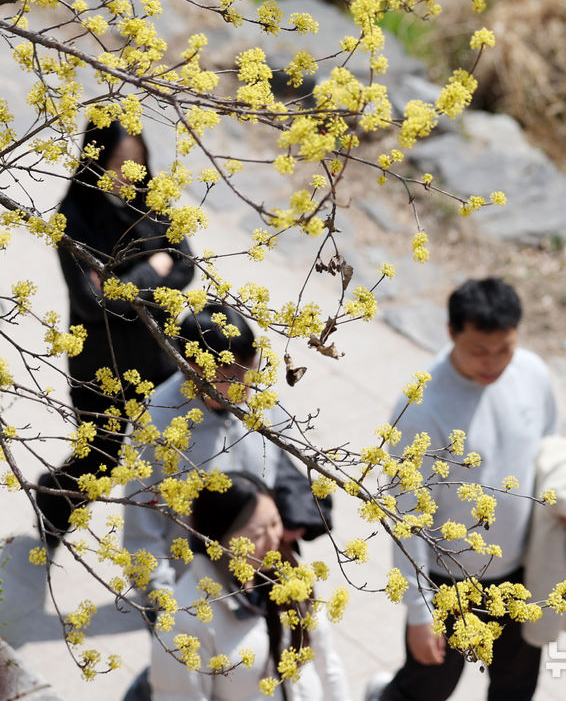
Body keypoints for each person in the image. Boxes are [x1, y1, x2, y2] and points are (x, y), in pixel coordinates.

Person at [368, 277, 558, 701]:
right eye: (479, 350)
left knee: (515, 687)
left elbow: (551, 450)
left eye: (504, 348)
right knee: (426, 689)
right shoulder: (420, 407)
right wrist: (420, 613)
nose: (493, 362)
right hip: (447, 581)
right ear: (452, 332)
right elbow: (406, 520)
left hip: (521, 575)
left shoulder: (532, 373)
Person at [35, 120, 194, 547]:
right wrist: (153, 269)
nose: (132, 173)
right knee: (100, 462)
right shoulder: (72, 219)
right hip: (99, 363)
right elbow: (93, 302)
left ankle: (164, 559)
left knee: (170, 457)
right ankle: (52, 503)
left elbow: (185, 264)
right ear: (96, 159)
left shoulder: (154, 204)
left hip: (156, 357)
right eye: (122, 162)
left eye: (138, 162)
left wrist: (125, 283)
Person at [123, 303, 331, 617]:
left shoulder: (258, 393)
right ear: (193, 367)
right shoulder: (157, 423)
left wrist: (294, 516)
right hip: (195, 592)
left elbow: (288, 461)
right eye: (232, 372)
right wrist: (167, 605)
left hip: (262, 569)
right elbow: (141, 528)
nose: (247, 381)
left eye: (252, 365)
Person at [145, 471, 350, 701]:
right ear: (218, 540)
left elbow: (326, 664)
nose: (273, 539)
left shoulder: (289, 572)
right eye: (256, 534)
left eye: (274, 522)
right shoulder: (185, 618)